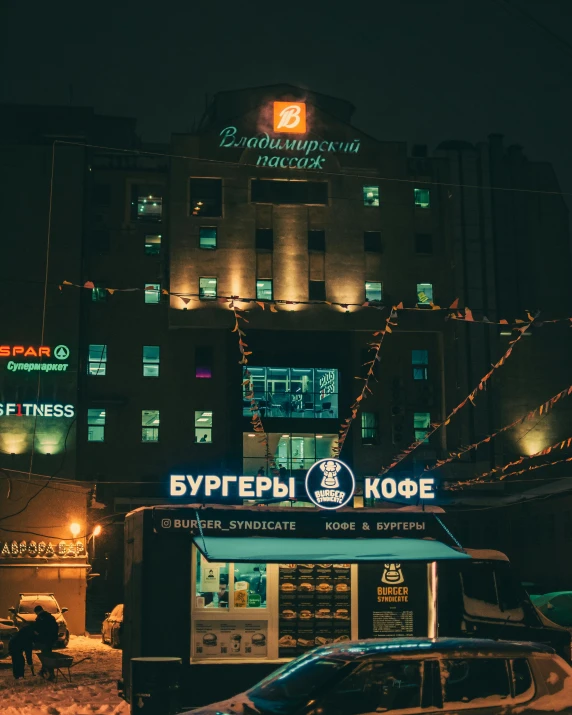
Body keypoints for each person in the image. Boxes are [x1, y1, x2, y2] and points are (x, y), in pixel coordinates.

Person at [34, 605, 59, 680]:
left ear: (37, 611)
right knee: (47, 655)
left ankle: (50, 673)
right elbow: (55, 627)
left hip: (45, 639)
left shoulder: (41, 618)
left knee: (46, 656)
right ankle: (44, 671)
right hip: (51, 639)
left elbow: (40, 628)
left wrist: (37, 635)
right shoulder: (49, 617)